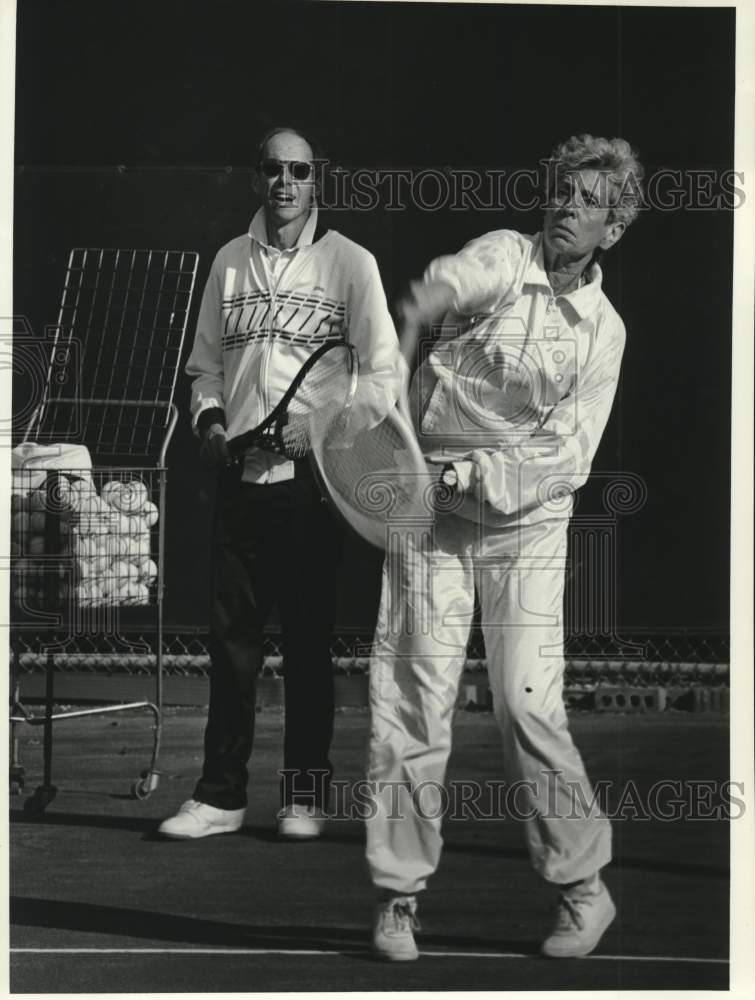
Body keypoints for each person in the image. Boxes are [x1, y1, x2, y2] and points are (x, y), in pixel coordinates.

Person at [366, 135, 644, 959]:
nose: (567, 207)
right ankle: (396, 898)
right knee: (413, 699)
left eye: (588, 201)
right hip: (429, 522)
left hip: (525, 527)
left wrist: (459, 478)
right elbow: (459, 275)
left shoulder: (603, 332)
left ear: (612, 229)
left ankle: (583, 891)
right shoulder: (501, 253)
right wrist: (422, 302)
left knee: (526, 703)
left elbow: (569, 457)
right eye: (562, 191)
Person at [158, 126, 401, 841]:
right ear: (256, 178)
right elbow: (204, 367)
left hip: (311, 487)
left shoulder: (351, 265)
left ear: (316, 179)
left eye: (298, 171)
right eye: (273, 169)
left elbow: (383, 377)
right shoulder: (230, 262)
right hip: (240, 479)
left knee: (305, 644)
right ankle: (219, 796)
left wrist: (321, 424)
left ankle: (304, 796)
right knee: (230, 644)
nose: (284, 183)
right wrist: (206, 419)